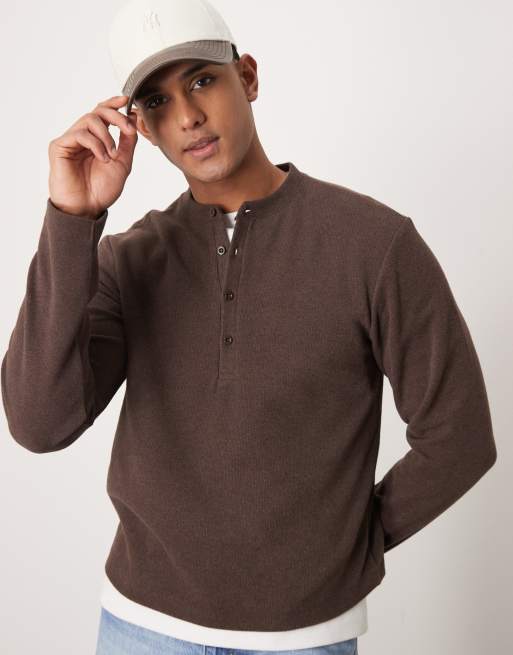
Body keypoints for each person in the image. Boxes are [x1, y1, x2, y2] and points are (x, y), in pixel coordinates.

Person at [1, 0, 497, 653]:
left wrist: (351, 543)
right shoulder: (130, 258)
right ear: (142, 128)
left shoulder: (373, 244)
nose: (188, 116)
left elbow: (459, 436)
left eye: (202, 80)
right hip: (140, 628)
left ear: (248, 77)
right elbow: (39, 423)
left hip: (305, 639)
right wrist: (72, 219)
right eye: (157, 101)